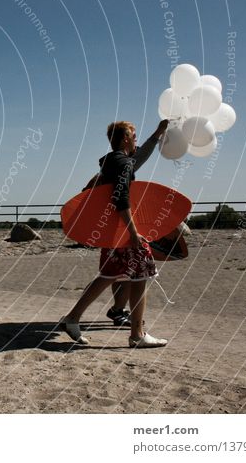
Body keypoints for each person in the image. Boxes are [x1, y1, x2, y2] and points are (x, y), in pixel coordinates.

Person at [60, 119, 169, 348]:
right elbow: (121, 198)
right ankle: (137, 335)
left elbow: (140, 156)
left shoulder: (112, 162)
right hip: (123, 231)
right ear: (126, 138)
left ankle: (72, 318)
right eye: (134, 136)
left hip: (111, 231)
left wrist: (158, 133)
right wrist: (133, 232)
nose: (136, 140)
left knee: (109, 275)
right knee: (140, 274)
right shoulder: (123, 164)